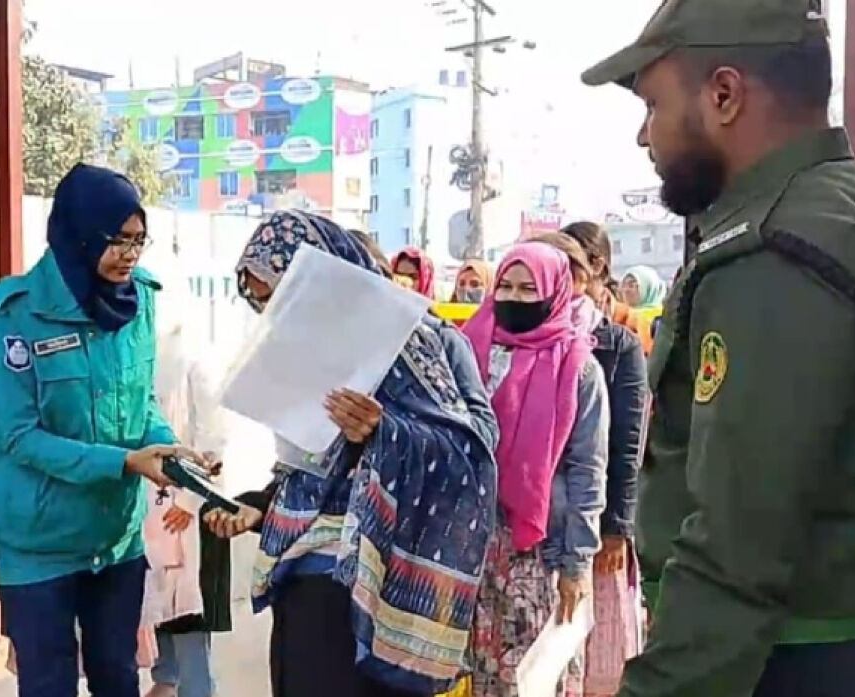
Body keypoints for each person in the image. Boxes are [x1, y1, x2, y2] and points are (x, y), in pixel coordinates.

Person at [582, 1, 855, 695]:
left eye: (653, 104)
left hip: (792, 658)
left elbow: (737, 547)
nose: (642, 134)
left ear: (723, 95)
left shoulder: (773, 254)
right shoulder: (852, 206)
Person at [206, 210, 499, 697]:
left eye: (280, 298)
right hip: (308, 571)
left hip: (387, 578)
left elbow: (474, 451)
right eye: (261, 304)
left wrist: (384, 431)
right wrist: (259, 505)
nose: (274, 316)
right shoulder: (298, 351)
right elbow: (307, 463)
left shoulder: (422, 339)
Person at [0, 163, 204, 697]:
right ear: (78, 234)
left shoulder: (139, 299)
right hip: (37, 539)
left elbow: (140, 401)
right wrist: (122, 462)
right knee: (49, 683)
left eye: (138, 240)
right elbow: (19, 435)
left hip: (113, 535)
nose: (129, 254)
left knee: (118, 678)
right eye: (116, 240)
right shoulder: (14, 313)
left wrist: (167, 448)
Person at [461, 242, 609, 697]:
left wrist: (577, 564)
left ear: (555, 292)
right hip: (473, 544)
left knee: (533, 678)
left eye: (529, 289)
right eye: (505, 286)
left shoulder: (578, 368)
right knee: (480, 675)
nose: (514, 297)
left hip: (541, 550)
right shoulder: (467, 351)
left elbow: (588, 471)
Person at [536, 232, 648, 697]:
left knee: (597, 652)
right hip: (534, 528)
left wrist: (617, 525)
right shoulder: (510, 338)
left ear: (582, 278)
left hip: (590, 521)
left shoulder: (615, 344)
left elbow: (626, 443)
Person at [141, 245, 232, 697]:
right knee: (156, 611)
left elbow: (214, 441)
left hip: (190, 512)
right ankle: (167, 682)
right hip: (146, 509)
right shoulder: (132, 353)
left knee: (190, 620)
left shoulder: (195, 356)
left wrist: (191, 500)